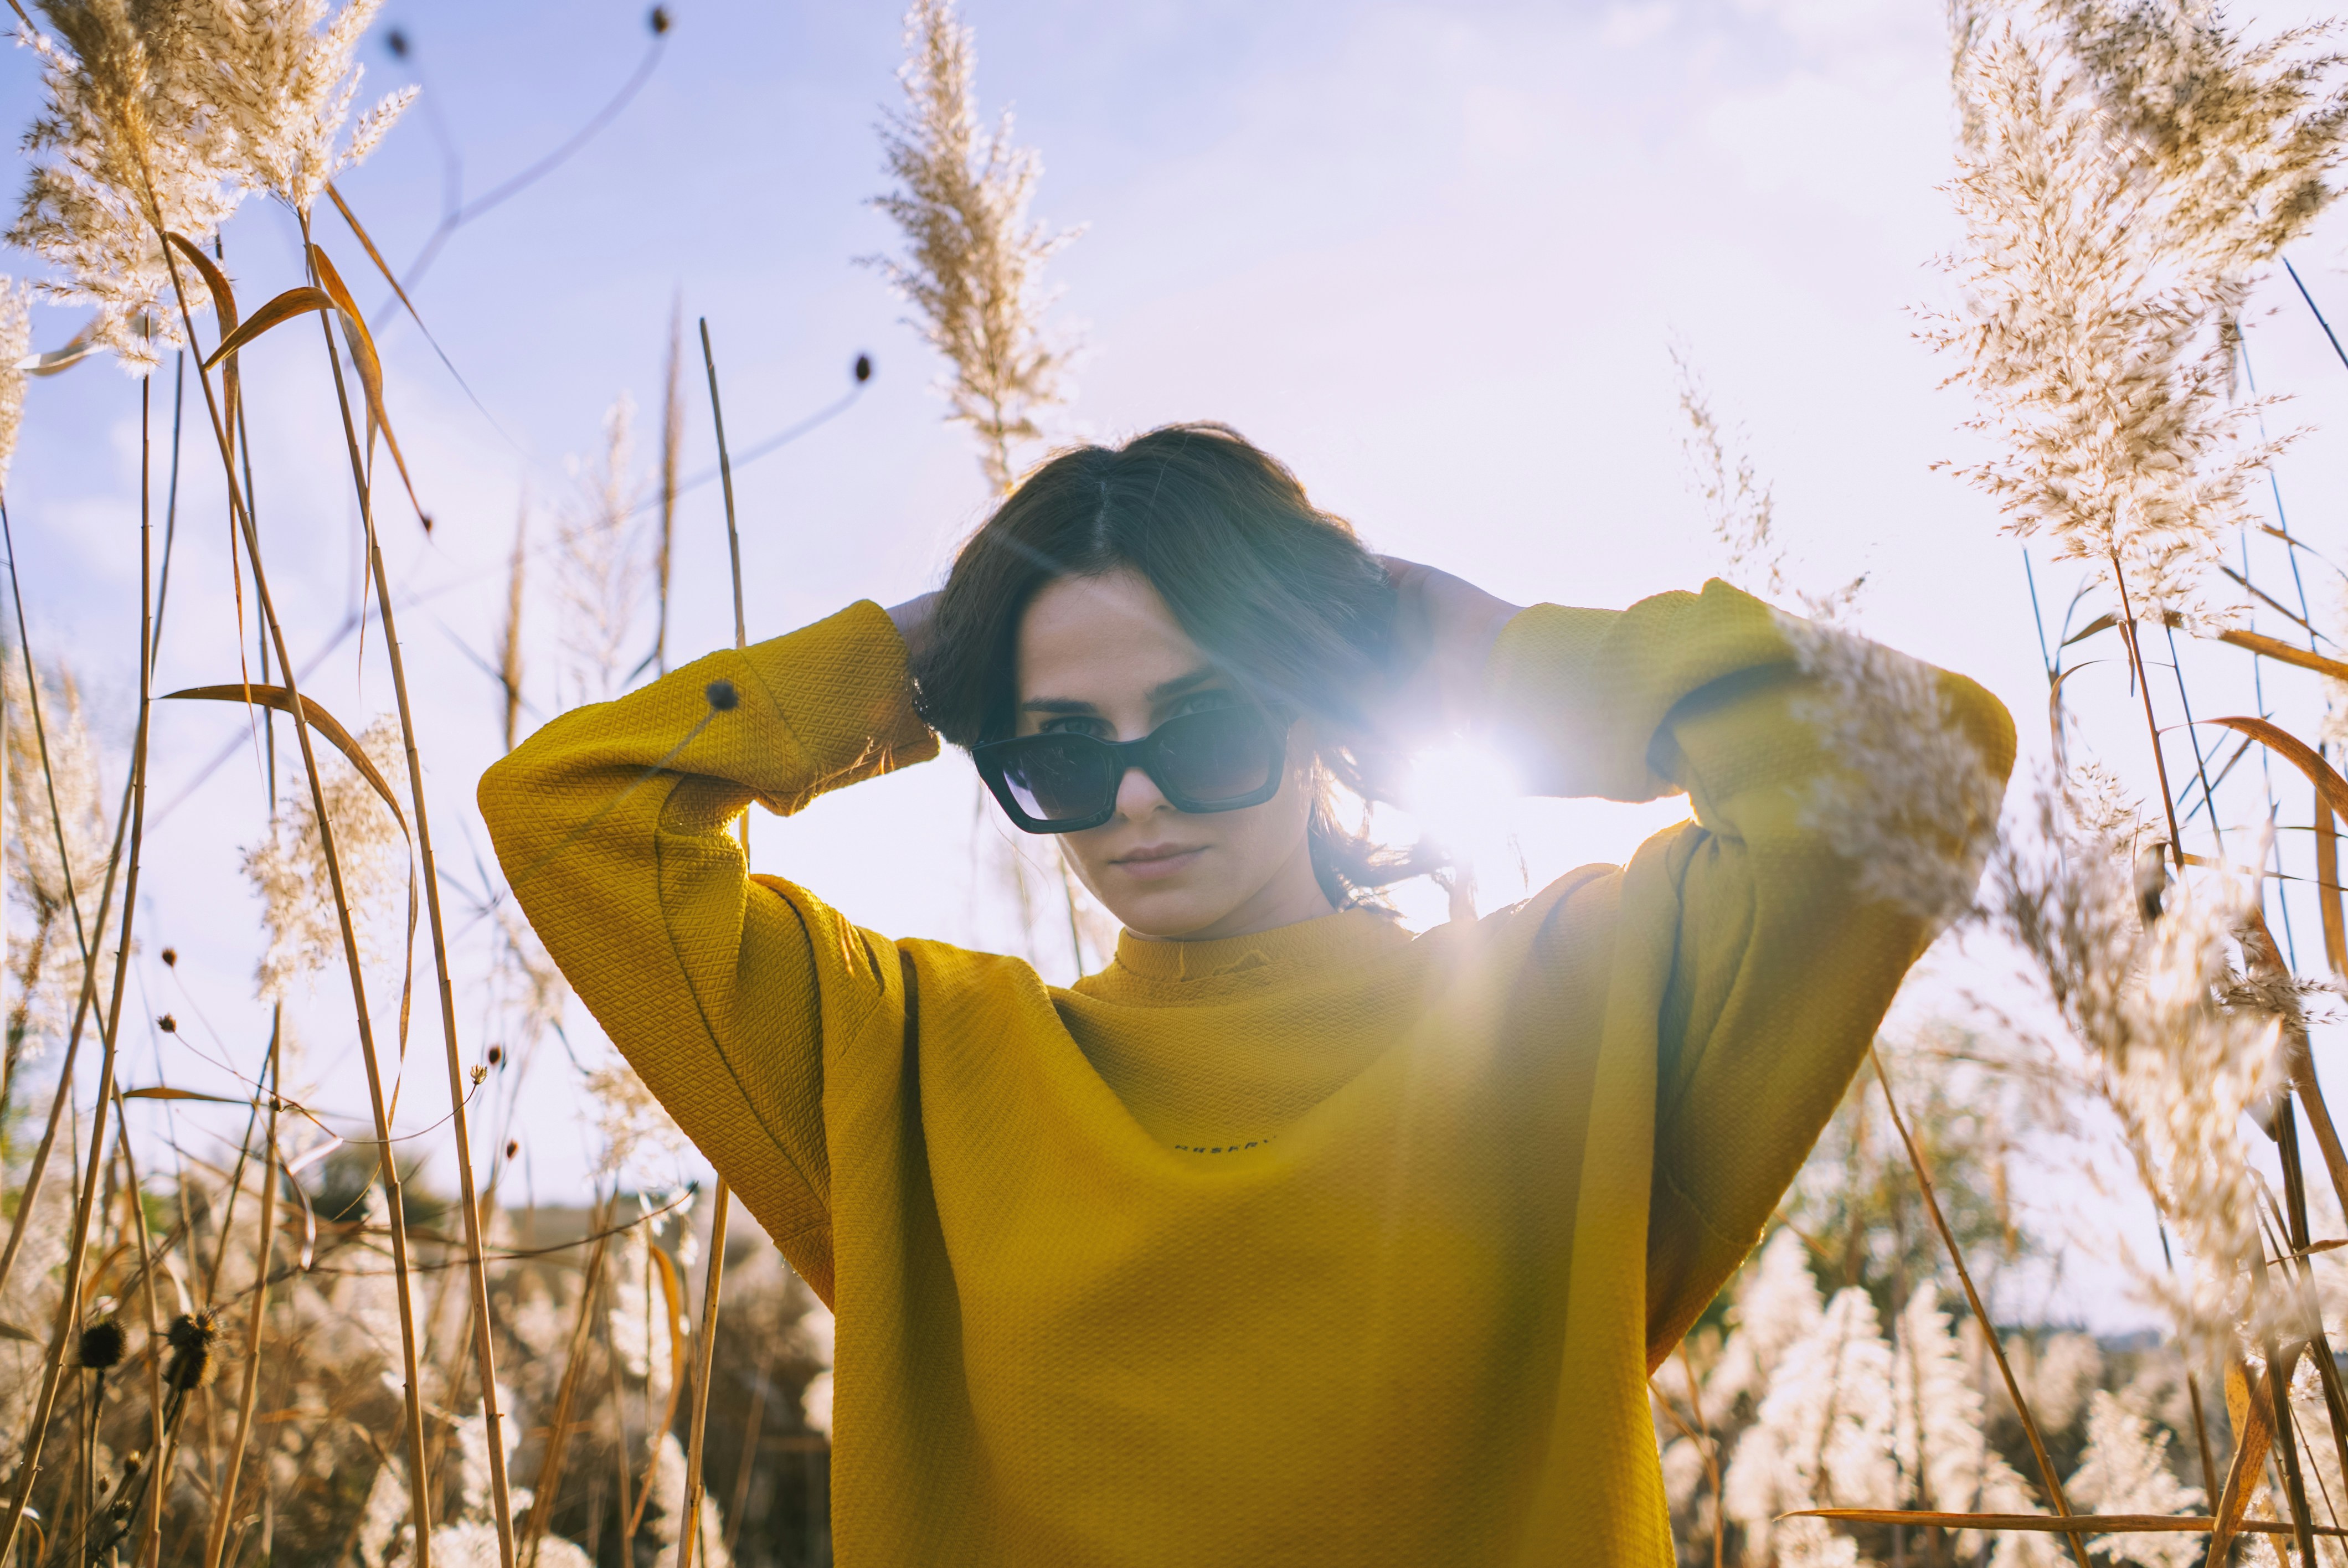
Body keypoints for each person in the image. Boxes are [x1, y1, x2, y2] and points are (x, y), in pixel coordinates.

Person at [478, 422, 2014, 1566]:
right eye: (1061, 750)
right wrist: (934, 644)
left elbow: (1913, 764)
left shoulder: (1574, 1013)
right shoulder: (910, 1066)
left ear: (1320, 711)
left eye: (1205, 724)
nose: (1136, 797)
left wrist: (1442, 638)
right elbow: (576, 817)